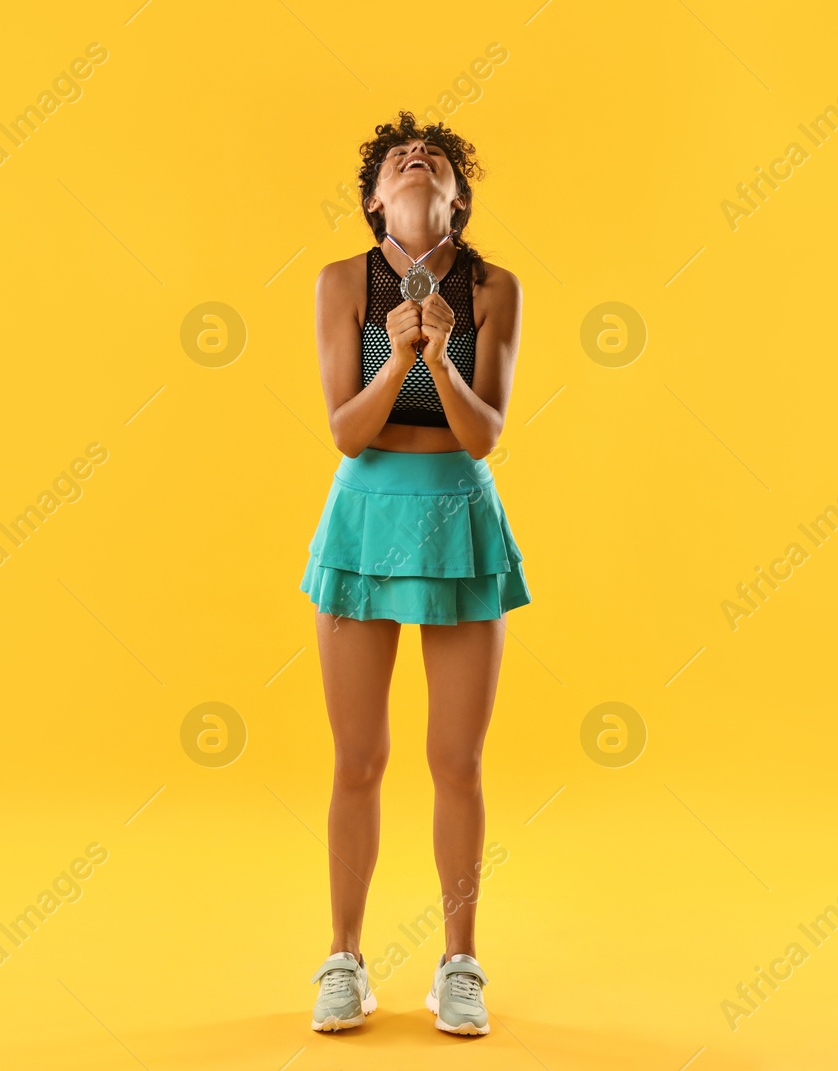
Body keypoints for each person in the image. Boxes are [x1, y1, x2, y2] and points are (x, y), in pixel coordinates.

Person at [299, 110, 530, 1037]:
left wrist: (441, 352)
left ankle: (459, 963)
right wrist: (398, 357)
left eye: (431, 157)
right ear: (375, 203)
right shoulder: (340, 282)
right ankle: (344, 958)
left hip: (459, 516)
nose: (415, 159)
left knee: (457, 761)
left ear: (455, 201)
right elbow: (348, 432)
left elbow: (483, 433)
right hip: (364, 517)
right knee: (358, 759)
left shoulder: (495, 288)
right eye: (398, 159)